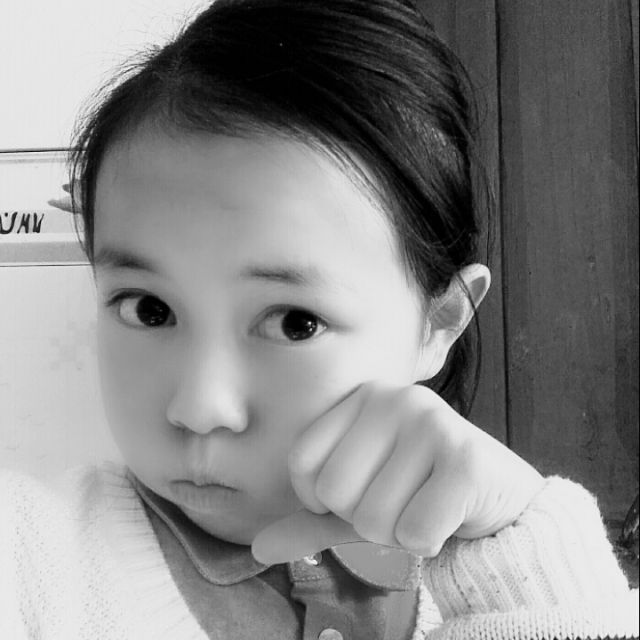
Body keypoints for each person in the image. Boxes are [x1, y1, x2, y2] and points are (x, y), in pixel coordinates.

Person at [1, 1, 638, 638]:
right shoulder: (24, 559)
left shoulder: (531, 594)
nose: (200, 409)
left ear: (440, 322)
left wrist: (528, 567)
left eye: (295, 323)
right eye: (149, 309)